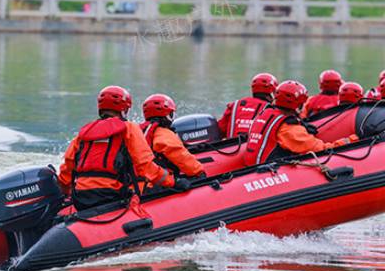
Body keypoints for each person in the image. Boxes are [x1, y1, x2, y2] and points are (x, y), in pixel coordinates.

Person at [58, 86, 188, 211]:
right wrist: (173, 182)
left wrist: (65, 192)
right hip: (113, 196)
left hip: (81, 198)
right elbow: (145, 164)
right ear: (124, 109)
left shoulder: (84, 133)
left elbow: (67, 169)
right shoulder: (129, 129)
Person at [245, 80, 359, 166]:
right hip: (270, 172)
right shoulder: (289, 129)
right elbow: (321, 149)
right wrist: (349, 141)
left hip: (253, 166)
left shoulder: (265, 114)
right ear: (298, 105)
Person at [140, 94, 205, 180]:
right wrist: (199, 171)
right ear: (167, 115)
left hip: (143, 179)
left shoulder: (140, 131)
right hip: (156, 184)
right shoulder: (164, 134)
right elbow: (181, 157)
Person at [217, 73, 278, 138]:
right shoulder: (272, 110)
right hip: (253, 146)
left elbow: (221, 129)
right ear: (272, 93)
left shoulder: (235, 105)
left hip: (230, 146)